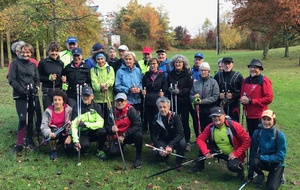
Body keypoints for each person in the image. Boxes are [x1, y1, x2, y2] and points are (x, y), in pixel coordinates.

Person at [189, 107, 251, 180]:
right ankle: (199, 166)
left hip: (233, 153)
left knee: (232, 166)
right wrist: (206, 152)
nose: (216, 118)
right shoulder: (211, 127)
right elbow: (200, 139)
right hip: (218, 151)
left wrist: (236, 153)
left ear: (224, 115)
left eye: (219, 116)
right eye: (214, 116)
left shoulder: (234, 125)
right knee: (203, 148)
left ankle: (240, 170)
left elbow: (247, 140)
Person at [8, 43, 40, 153]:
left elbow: (37, 79)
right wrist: (22, 90)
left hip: (31, 95)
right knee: (23, 119)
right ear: (20, 52)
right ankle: (19, 144)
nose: (25, 54)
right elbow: (12, 79)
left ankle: (30, 140)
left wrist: (35, 88)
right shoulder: (15, 64)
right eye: (23, 52)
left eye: (27, 52)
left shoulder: (33, 65)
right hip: (20, 95)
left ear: (31, 53)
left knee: (30, 119)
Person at [248, 110, 286, 189]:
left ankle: (279, 174)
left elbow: (281, 157)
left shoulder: (280, 135)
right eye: (264, 119)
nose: (266, 122)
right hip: (264, 162)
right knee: (253, 162)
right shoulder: (257, 133)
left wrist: (262, 157)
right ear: (261, 120)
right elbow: (253, 151)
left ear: (274, 120)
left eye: (269, 119)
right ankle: (260, 175)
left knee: (271, 188)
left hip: (276, 164)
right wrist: (250, 171)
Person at [106, 93, 143, 168]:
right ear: (115, 102)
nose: (120, 102)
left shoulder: (131, 110)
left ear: (126, 101)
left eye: (122, 100)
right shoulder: (111, 112)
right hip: (117, 136)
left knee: (139, 135)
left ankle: (138, 157)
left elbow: (138, 125)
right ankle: (120, 148)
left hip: (129, 135)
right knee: (112, 153)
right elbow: (107, 126)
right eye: (118, 101)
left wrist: (124, 135)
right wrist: (111, 129)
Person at [71, 86, 107, 160]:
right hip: (83, 133)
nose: (85, 97)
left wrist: (86, 124)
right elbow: (73, 126)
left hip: (94, 131)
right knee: (84, 146)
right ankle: (85, 147)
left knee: (102, 131)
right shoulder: (77, 108)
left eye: (88, 95)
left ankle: (100, 150)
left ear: (92, 96)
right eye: (84, 95)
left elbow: (100, 123)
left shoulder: (97, 107)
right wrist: (76, 141)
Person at [240, 59, 273, 138]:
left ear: (260, 69)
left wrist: (251, 101)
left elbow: (269, 98)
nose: (252, 69)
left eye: (255, 68)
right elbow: (242, 94)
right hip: (248, 114)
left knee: (260, 137)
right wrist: (242, 100)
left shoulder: (264, 81)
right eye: (251, 67)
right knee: (251, 136)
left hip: (259, 115)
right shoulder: (246, 80)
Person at [150, 97, 186, 171]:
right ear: (158, 108)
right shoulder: (156, 118)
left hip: (175, 139)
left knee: (182, 144)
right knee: (154, 152)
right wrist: (160, 148)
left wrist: (170, 145)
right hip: (163, 139)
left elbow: (180, 133)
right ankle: (164, 156)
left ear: (169, 107)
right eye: (160, 107)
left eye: (164, 107)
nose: (162, 109)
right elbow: (153, 135)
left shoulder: (175, 116)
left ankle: (178, 163)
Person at [167, 54, 193, 150]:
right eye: (176, 62)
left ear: (183, 64)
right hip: (173, 101)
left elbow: (190, 88)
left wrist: (180, 91)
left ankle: (187, 141)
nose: (178, 64)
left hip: (184, 102)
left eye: (180, 62)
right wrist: (169, 89)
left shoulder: (188, 74)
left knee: (185, 122)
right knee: (173, 121)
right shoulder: (171, 73)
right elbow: (167, 85)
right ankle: (174, 140)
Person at [40, 89, 73, 160]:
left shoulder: (69, 110)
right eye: (55, 100)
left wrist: (70, 135)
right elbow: (43, 126)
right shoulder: (48, 111)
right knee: (53, 133)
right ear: (52, 101)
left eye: (59, 100)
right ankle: (53, 149)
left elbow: (73, 124)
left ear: (63, 101)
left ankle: (63, 145)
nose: (57, 102)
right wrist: (49, 133)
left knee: (69, 150)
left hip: (65, 132)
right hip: (54, 132)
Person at [189, 62, 219, 137]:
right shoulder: (196, 83)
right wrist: (194, 98)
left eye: (205, 70)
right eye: (201, 70)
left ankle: (211, 142)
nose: (203, 72)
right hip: (198, 110)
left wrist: (202, 101)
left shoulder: (213, 82)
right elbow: (191, 95)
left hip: (209, 110)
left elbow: (215, 96)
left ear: (208, 71)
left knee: (209, 127)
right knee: (198, 127)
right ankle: (200, 142)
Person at [141, 57, 168, 133]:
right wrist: (143, 91)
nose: (152, 65)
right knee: (150, 118)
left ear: (158, 64)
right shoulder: (146, 75)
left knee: (159, 117)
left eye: (154, 63)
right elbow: (143, 86)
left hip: (158, 99)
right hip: (148, 100)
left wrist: (164, 93)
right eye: (151, 64)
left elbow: (165, 87)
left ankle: (160, 132)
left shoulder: (162, 75)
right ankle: (152, 134)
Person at [214, 57, 243, 122]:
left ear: (232, 64)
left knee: (234, 125)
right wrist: (219, 95)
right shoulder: (217, 76)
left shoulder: (238, 76)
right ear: (222, 64)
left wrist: (233, 95)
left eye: (229, 63)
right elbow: (213, 91)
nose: (227, 66)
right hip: (221, 106)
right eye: (225, 64)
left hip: (234, 106)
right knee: (221, 124)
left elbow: (243, 91)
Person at [38, 41, 64, 110]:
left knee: (58, 110)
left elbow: (61, 76)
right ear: (48, 52)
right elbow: (38, 77)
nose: (54, 53)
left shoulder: (61, 63)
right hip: (47, 90)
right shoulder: (43, 63)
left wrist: (63, 80)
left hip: (58, 89)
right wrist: (49, 78)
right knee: (48, 110)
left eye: (56, 51)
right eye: (52, 51)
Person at [90, 51, 115, 121]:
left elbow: (111, 80)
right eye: (98, 59)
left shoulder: (110, 69)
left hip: (109, 99)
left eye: (102, 59)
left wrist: (106, 84)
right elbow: (94, 83)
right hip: (97, 100)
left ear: (105, 59)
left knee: (109, 118)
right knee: (99, 118)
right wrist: (100, 88)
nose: (100, 61)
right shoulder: (93, 70)